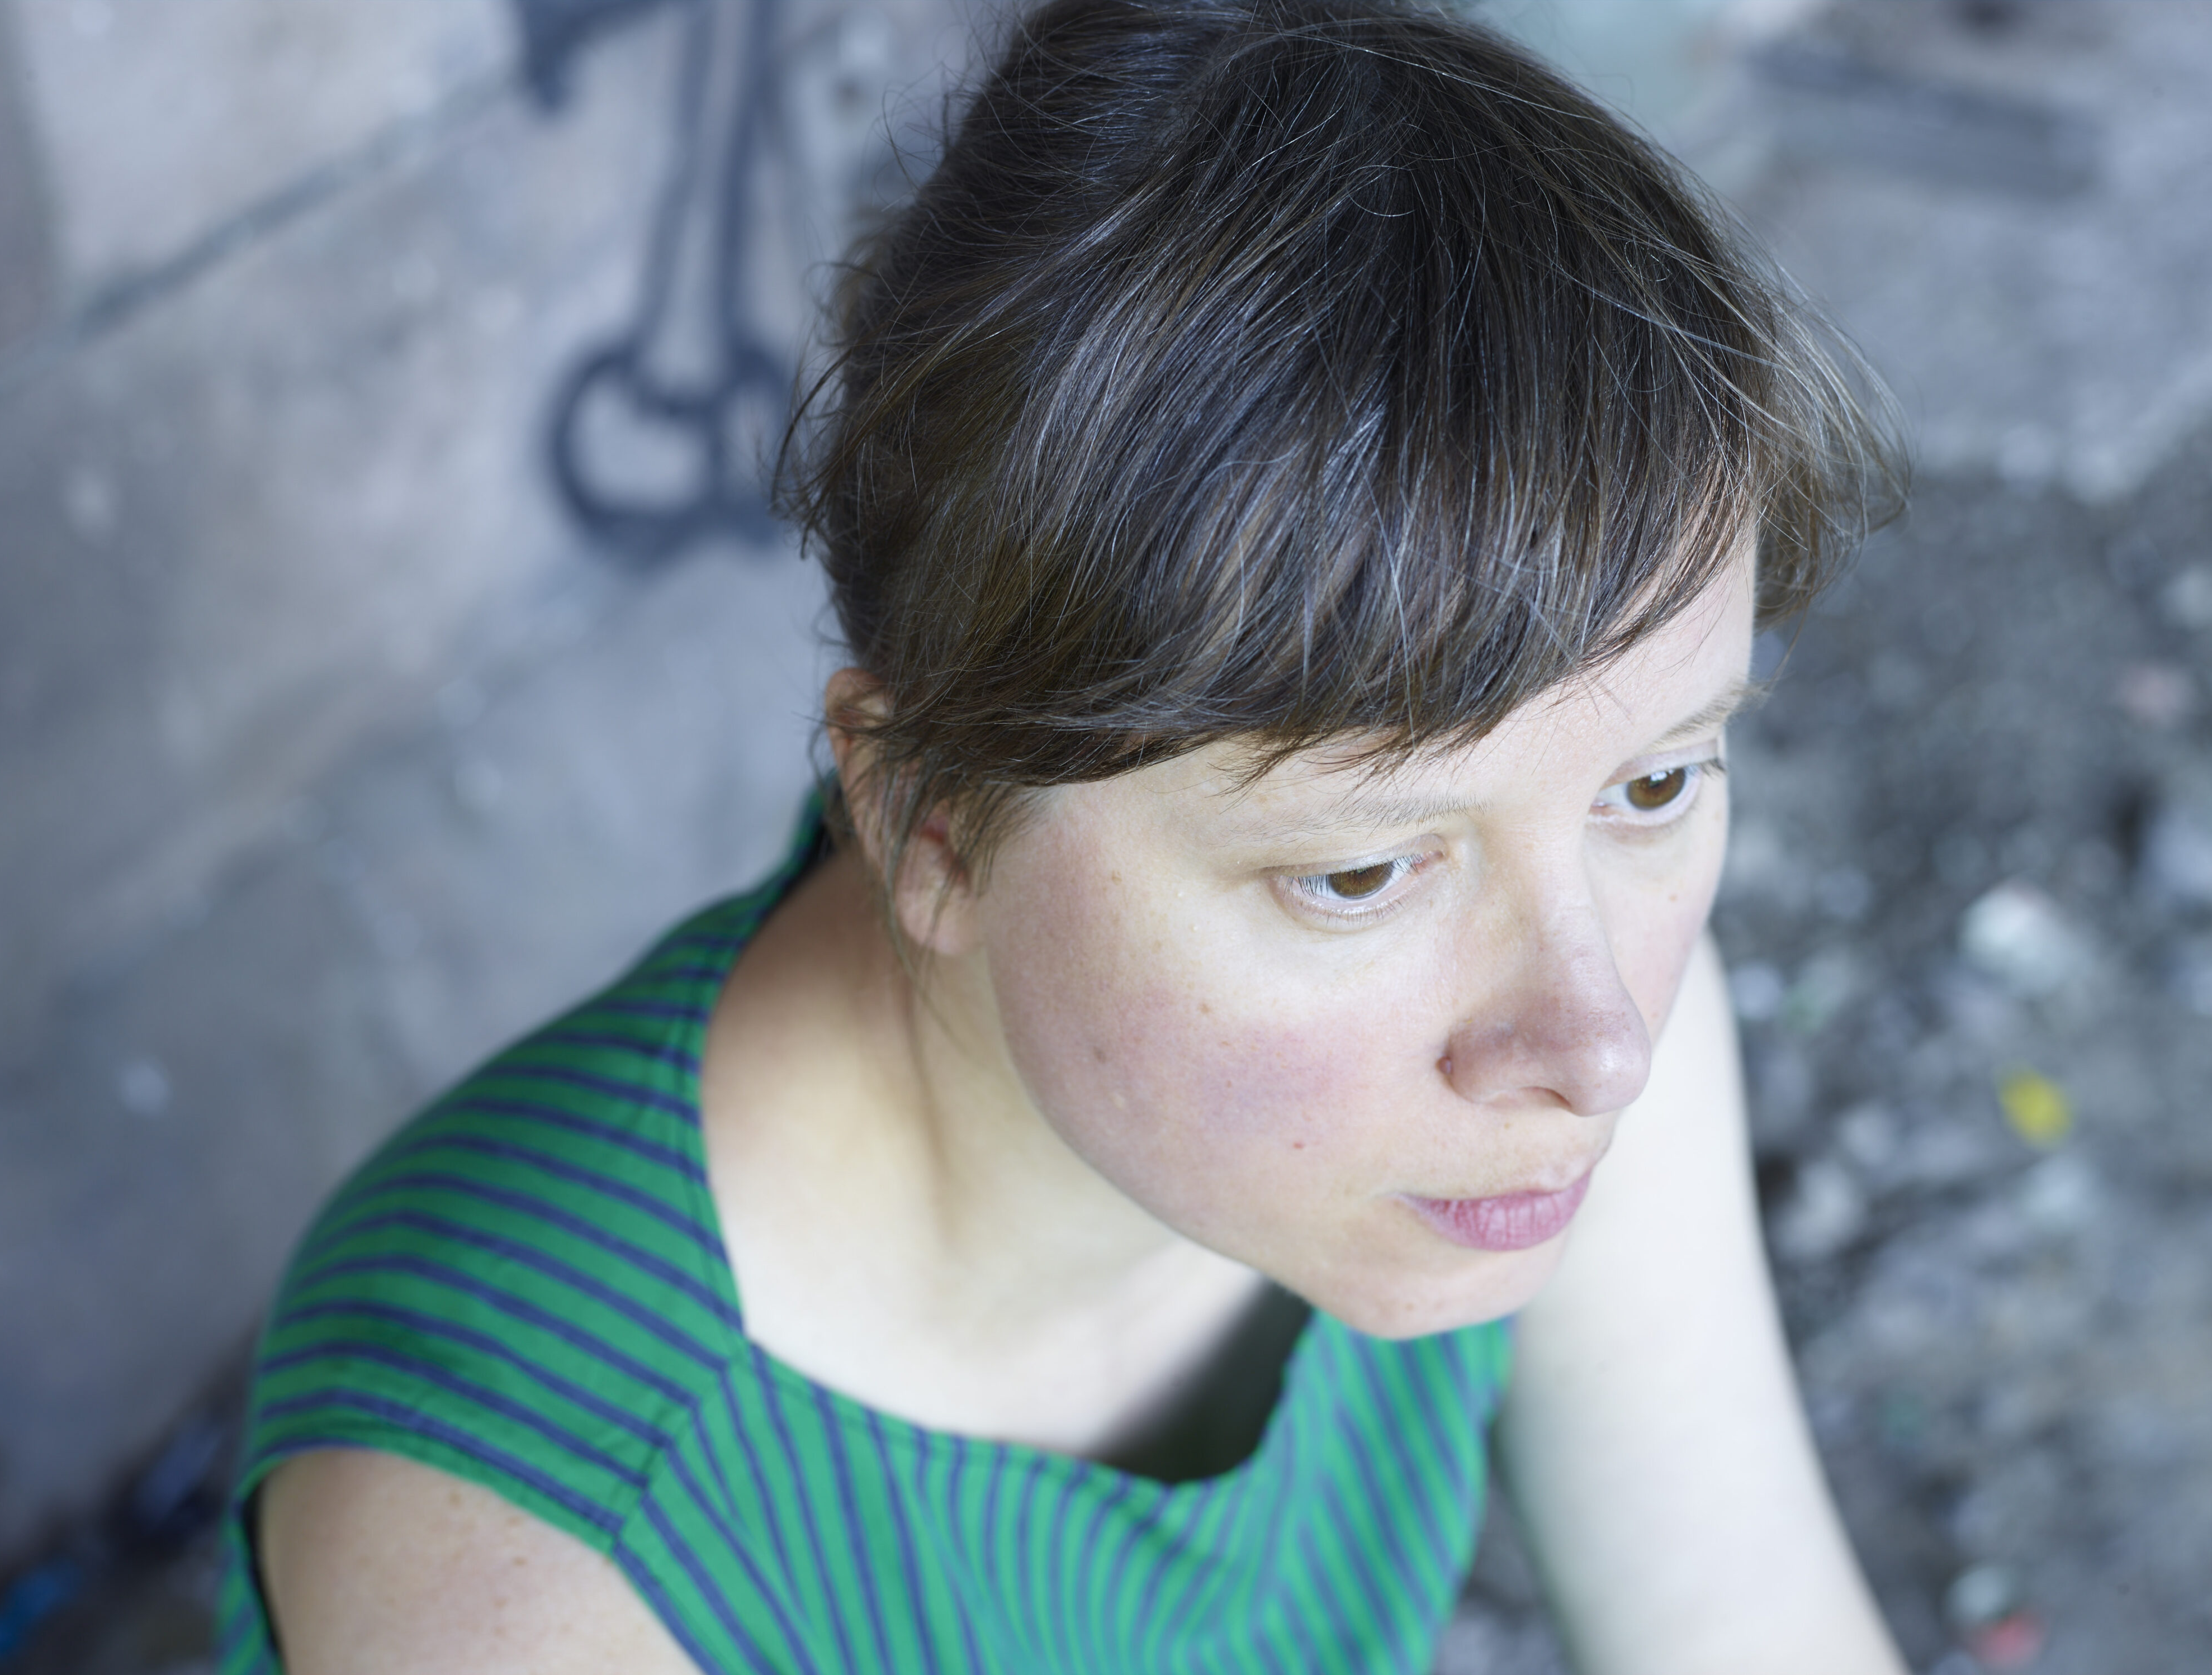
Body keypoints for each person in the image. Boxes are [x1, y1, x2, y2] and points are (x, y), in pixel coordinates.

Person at [224, 0, 1910, 1668]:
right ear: (935, 822)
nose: (1603, 1043)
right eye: (1356, 873)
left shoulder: (1543, 1026)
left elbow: (1746, 1629)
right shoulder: (523, 1548)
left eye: (1657, 784)